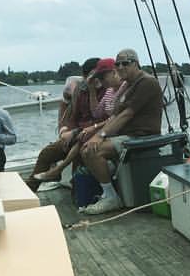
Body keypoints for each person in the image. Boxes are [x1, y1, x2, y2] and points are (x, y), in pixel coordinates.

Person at [78, 48, 164, 215]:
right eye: (118, 64)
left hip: (141, 136)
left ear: (136, 64)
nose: (121, 67)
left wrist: (100, 135)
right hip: (126, 135)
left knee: (92, 151)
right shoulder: (129, 86)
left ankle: (111, 198)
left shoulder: (146, 82)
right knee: (86, 147)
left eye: (126, 63)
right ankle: (107, 189)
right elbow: (115, 115)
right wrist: (97, 134)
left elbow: (126, 114)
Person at [26, 58, 120, 190]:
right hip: (78, 133)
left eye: (101, 76)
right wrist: (64, 131)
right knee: (47, 153)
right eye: (93, 77)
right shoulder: (80, 91)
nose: (97, 80)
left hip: (94, 133)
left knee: (81, 152)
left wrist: (76, 132)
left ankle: (63, 176)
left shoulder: (109, 90)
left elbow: (104, 119)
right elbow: (72, 116)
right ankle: (30, 188)